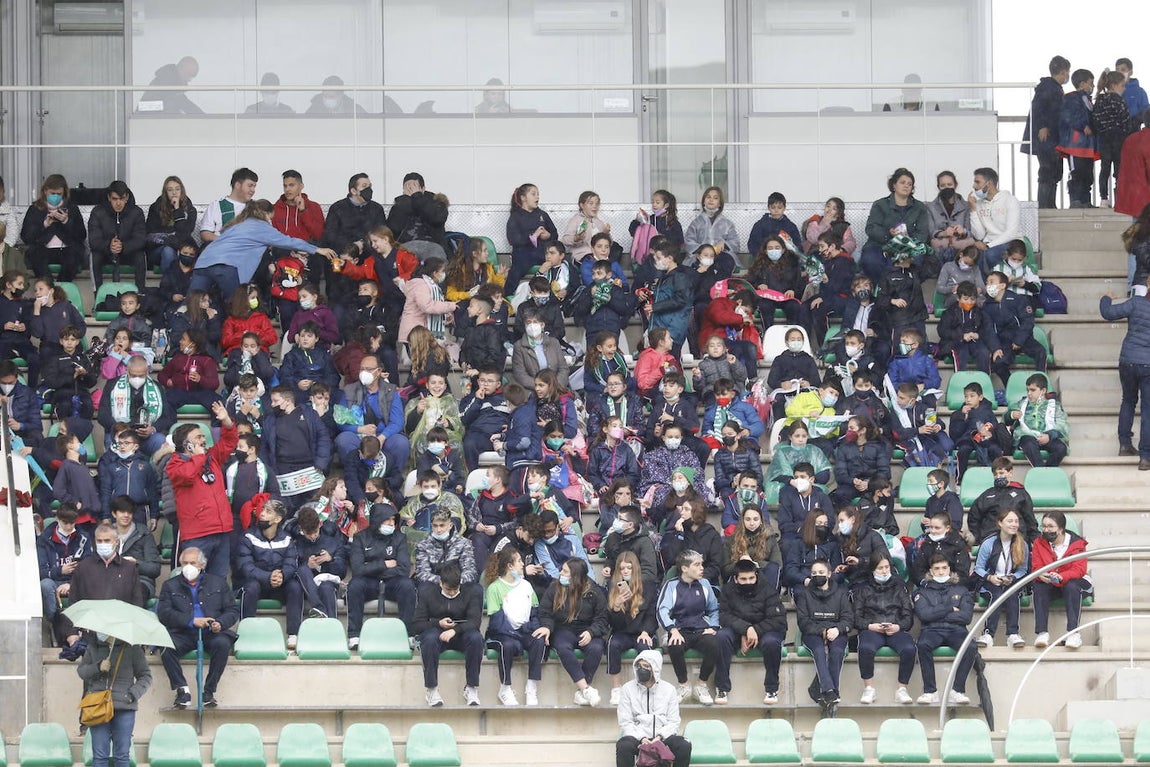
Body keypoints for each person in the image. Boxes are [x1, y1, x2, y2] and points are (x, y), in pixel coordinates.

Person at [193, 199, 336, 302]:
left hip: (202, 263)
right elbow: (289, 241)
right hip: (226, 268)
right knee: (236, 307)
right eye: (271, 218)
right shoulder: (261, 227)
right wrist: (318, 249)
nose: (271, 222)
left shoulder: (238, 224)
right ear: (266, 214)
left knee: (192, 305)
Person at [156, 546, 239, 708]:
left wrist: (220, 623)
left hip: (211, 632)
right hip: (182, 632)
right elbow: (164, 613)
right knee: (166, 646)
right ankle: (182, 690)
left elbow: (232, 610)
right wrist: (191, 621)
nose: (188, 567)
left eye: (192, 563)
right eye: (185, 563)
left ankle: (208, 691)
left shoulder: (218, 583)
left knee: (222, 644)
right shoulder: (169, 585)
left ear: (202, 565)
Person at [166, 404, 239, 577]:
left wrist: (226, 421)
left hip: (221, 530)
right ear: (187, 444)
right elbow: (188, 475)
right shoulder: (174, 465)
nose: (204, 440)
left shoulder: (210, 458)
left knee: (218, 582)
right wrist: (198, 456)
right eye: (198, 437)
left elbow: (230, 442)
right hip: (197, 534)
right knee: (192, 580)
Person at [534, 557, 608, 706]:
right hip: (563, 628)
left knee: (596, 648)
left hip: (586, 629)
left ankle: (581, 693)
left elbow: (602, 618)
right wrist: (547, 627)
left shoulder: (594, 591)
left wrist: (591, 632)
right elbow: (544, 612)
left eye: (565, 571)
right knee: (563, 647)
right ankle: (585, 688)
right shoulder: (555, 587)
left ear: (575, 576)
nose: (561, 573)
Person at [715, 558, 787, 706]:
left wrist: (754, 630)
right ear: (735, 579)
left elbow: (777, 619)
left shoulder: (768, 589)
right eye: (743, 579)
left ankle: (772, 689)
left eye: (751, 578)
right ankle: (722, 687)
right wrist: (746, 630)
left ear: (756, 575)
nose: (748, 582)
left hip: (766, 630)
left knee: (772, 643)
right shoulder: (728, 590)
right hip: (739, 630)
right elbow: (724, 616)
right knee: (721, 637)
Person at [412, 560, 484, 707]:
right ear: (440, 583)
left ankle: (471, 687)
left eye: (455, 589)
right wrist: (437, 623)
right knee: (429, 640)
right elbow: (417, 624)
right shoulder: (427, 594)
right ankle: (431, 689)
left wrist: (454, 630)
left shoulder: (470, 593)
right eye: (448, 589)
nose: (452, 592)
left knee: (476, 638)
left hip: (461, 632)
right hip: (437, 633)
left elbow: (475, 622)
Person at [484, 545, 546, 706]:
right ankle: (505, 688)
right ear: (510, 566)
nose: (522, 564)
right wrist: (516, 634)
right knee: (509, 645)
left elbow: (534, 613)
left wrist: (535, 628)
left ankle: (531, 687)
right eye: (519, 561)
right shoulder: (494, 588)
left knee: (538, 640)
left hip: (523, 631)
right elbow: (497, 622)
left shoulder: (526, 586)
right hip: (502, 634)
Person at [347, 503, 417, 645]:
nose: (391, 524)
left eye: (393, 520)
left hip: (392, 582)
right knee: (354, 585)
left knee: (407, 585)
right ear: (377, 520)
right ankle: (354, 635)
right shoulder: (360, 537)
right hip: (368, 582)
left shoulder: (400, 537)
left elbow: (403, 569)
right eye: (387, 520)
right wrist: (384, 564)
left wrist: (371, 568)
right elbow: (357, 569)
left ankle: (408, 635)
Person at [77, 634, 151, 767]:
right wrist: (98, 667)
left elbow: (146, 676)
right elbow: (82, 672)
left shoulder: (132, 649)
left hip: (124, 708)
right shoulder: (93, 647)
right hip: (98, 706)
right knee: (99, 756)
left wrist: (132, 694)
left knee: (122, 756)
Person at [657, 549, 719, 705]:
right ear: (684, 568)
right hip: (680, 629)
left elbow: (714, 609)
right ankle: (683, 685)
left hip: (701, 629)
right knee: (675, 645)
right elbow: (662, 610)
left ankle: (701, 685)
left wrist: (713, 626)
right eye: (697, 565)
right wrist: (672, 630)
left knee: (714, 645)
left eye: (701, 565)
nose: (701, 568)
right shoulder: (671, 585)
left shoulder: (705, 584)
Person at [914, 555, 977, 705]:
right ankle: (930, 691)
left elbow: (966, 617)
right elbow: (924, 615)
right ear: (931, 571)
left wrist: (937, 614)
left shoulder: (962, 590)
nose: (941, 572)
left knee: (971, 646)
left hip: (956, 630)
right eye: (937, 569)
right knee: (923, 645)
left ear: (950, 569)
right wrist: (950, 608)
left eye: (944, 568)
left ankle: (957, 690)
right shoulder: (922, 591)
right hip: (931, 630)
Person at [853, 554, 916, 705]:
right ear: (873, 570)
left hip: (895, 629)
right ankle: (869, 689)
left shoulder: (900, 588)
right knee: (865, 648)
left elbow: (908, 616)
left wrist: (898, 626)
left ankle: (902, 689)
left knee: (909, 648)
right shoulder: (863, 589)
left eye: (887, 567)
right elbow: (856, 617)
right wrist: (870, 625)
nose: (884, 571)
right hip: (872, 629)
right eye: (880, 568)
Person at [1100, 281, 1150, 466]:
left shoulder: (1136, 302)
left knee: (1128, 400)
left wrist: (1106, 298)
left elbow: (1108, 313)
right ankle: (1145, 456)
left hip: (1128, 360)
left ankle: (1124, 444)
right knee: (1147, 410)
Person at [615, 650, 692, 767]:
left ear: (655, 668)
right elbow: (625, 721)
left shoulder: (669, 689)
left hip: (662, 736)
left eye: (646, 666)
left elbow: (673, 721)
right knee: (623, 745)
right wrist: (642, 738)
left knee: (684, 744)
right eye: (639, 666)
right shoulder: (627, 689)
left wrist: (660, 736)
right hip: (638, 736)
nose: (642, 669)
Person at [605, 550, 658, 704]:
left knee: (645, 649)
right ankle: (616, 688)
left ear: (635, 569)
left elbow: (651, 613)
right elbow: (614, 624)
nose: (626, 571)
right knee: (612, 645)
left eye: (629, 568)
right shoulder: (612, 587)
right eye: (622, 568)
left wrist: (646, 632)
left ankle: (647, 687)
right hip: (623, 631)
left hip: (643, 631)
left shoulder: (647, 585)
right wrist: (616, 607)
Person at [860, 168, 930, 282]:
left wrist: (907, 243)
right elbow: (871, 228)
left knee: (915, 260)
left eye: (910, 184)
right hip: (880, 245)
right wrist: (889, 234)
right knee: (870, 260)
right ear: (894, 185)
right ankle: (880, 291)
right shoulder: (880, 204)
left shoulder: (920, 207)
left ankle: (905, 293)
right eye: (902, 182)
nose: (906, 186)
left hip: (909, 246)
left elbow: (922, 233)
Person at [1032, 511, 1090, 649]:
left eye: (1050, 526)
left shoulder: (1077, 544)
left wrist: (1063, 576)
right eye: (1044, 526)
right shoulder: (1039, 543)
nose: (1046, 530)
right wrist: (1040, 574)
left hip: (1073, 581)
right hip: (1051, 583)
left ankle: (1073, 633)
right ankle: (1042, 633)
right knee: (1039, 587)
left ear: (1061, 528)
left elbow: (1079, 569)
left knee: (1071, 586)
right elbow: (1036, 566)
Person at [973, 509, 1029, 650]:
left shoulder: (1023, 544)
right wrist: (990, 577)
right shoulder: (989, 543)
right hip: (990, 582)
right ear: (1000, 523)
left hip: (1011, 582)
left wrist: (1013, 577)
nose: (1014, 524)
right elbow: (978, 568)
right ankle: (988, 635)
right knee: (996, 594)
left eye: (1016, 521)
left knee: (1012, 592)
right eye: (1010, 521)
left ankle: (1013, 634)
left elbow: (1023, 570)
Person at [1022, 56, 1071, 209]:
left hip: (1053, 137)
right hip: (1046, 138)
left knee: (1054, 172)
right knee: (1047, 171)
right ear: (1063, 72)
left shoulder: (1054, 87)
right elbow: (1038, 107)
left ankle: (1049, 204)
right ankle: (1045, 205)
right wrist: (1042, 126)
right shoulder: (1047, 87)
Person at [20, 174, 87, 281]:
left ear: (64, 192)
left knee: (74, 256)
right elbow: (26, 236)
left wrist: (66, 221)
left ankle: (62, 288)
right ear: (45, 191)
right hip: (42, 248)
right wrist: (44, 224)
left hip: (67, 248)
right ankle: (47, 286)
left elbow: (81, 235)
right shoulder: (35, 209)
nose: (55, 196)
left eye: (59, 194)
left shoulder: (72, 208)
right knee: (35, 256)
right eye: (52, 193)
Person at [88, 180, 148, 291]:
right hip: (106, 252)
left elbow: (141, 239)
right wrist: (108, 246)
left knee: (140, 256)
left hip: (127, 252)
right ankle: (98, 297)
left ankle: (140, 294)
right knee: (94, 256)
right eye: (115, 199)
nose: (119, 203)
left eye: (122, 199)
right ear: (109, 198)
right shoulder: (98, 212)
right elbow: (93, 240)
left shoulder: (136, 212)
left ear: (127, 198)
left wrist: (123, 246)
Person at [1057, 69, 1099, 208]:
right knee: (1077, 172)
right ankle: (1075, 200)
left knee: (1087, 174)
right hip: (1075, 144)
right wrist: (1083, 126)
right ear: (1082, 83)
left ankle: (1086, 200)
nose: (1092, 86)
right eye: (1090, 83)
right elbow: (1070, 115)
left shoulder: (1088, 100)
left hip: (1087, 144)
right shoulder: (1071, 97)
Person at [506, 183, 559, 292]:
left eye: (538, 194)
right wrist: (532, 236)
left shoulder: (542, 215)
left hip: (542, 251)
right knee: (515, 271)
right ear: (523, 198)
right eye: (533, 194)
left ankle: (558, 293)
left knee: (559, 262)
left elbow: (554, 234)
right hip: (523, 254)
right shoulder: (515, 216)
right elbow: (513, 239)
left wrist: (548, 236)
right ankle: (506, 297)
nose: (537, 197)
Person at [1009, 373, 1069, 467]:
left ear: (1043, 390)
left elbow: (1062, 425)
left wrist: (1049, 435)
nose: (1029, 393)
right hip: (1028, 437)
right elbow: (1006, 419)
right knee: (1029, 444)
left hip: (1048, 437)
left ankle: (1047, 472)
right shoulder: (1021, 404)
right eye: (1027, 390)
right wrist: (1011, 415)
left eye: (1033, 390)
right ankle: (1040, 472)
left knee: (1061, 448)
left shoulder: (1055, 406)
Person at [387, 171, 449, 262]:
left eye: (414, 187)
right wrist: (405, 202)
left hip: (432, 246)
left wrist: (417, 197)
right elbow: (393, 228)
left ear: (423, 189)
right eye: (407, 187)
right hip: (406, 247)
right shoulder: (399, 206)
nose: (411, 190)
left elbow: (437, 219)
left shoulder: (436, 203)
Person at [968, 168, 1021, 272]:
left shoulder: (1010, 200)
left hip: (1010, 242)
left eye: (977, 182)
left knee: (990, 255)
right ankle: (984, 287)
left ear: (989, 183)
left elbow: (1011, 233)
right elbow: (979, 235)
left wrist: (988, 246)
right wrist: (973, 210)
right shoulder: (979, 204)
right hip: (988, 242)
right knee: (974, 254)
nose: (974, 186)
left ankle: (995, 285)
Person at [323, 174, 389, 253]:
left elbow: (381, 232)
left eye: (370, 186)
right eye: (364, 186)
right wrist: (353, 245)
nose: (369, 189)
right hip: (343, 251)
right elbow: (330, 235)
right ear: (353, 191)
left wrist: (362, 244)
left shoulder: (377, 208)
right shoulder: (337, 208)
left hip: (370, 250)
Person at [1095, 71, 1132, 208]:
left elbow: (1096, 120)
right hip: (1119, 138)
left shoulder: (1100, 99)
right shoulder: (1118, 100)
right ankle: (1119, 199)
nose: (1123, 88)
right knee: (1119, 170)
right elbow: (1126, 119)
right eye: (1122, 85)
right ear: (1115, 85)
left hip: (1104, 138)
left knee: (1104, 169)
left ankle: (1104, 198)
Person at [684, 186, 740, 260]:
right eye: (708, 197)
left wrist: (724, 244)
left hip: (721, 256)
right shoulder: (696, 223)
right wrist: (703, 250)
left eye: (715, 198)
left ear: (720, 204)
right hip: (700, 258)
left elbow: (735, 242)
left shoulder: (727, 224)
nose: (711, 200)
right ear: (704, 201)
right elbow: (688, 242)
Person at [1117, 58, 1150, 130]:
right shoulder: (1111, 90)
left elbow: (1146, 112)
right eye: (1117, 70)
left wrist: (1135, 120)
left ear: (1130, 72)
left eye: (1123, 70)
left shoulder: (1139, 92)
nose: (1119, 72)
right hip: (1115, 132)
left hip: (1133, 131)